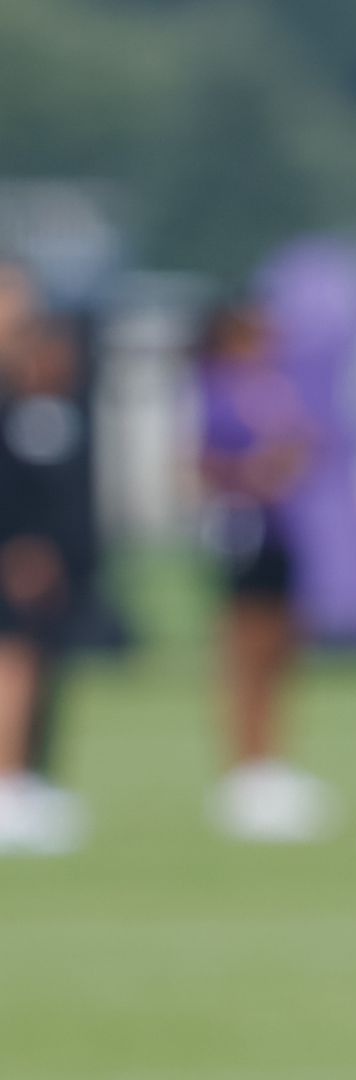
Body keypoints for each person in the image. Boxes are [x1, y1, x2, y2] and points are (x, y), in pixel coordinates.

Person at [194, 298, 333, 842]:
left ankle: (272, 764)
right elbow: (202, 461)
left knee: (281, 650)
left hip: (282, 531)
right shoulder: (215, 388)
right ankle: (244, 768)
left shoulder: (275, 385)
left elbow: (306, 441)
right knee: (244, 650)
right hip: (241, 530)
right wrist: (252, 471)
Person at [0, 263, 93, 855]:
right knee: (13, 664)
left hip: (29, 539)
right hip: (12, 541)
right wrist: (19, 540)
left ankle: (24, 778)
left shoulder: (27, 380)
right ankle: (9, 786)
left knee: (32, 658)